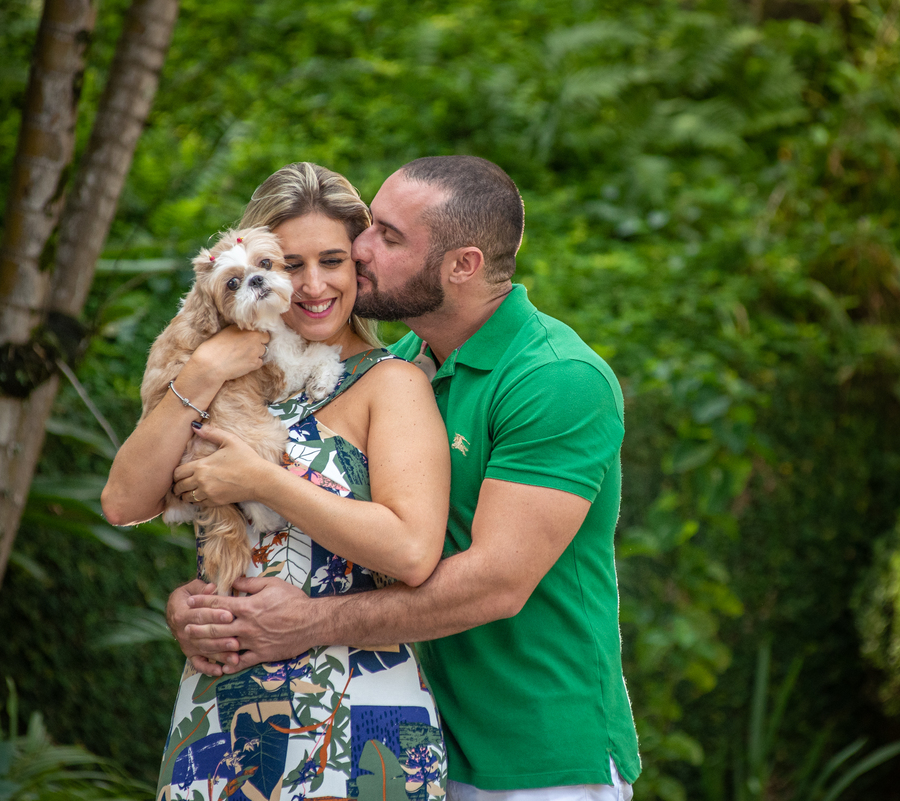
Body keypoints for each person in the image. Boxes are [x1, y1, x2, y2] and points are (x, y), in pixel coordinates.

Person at [173, 155, 642, 800]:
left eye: (389, 237)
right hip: (396, 738)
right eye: (370, 226)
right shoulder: (391, 370)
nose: (360, 248)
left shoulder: (555, 379)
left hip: (532, 752)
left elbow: (494, 585)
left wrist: (310, 623)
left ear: (463, 265)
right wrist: (211, 607)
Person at [100, 162, 452, 801]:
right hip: (223, 709)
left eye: (334, 261)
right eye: (292, 263)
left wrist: (260, 478)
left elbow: (411, 550)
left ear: (358, 268)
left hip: (355, 717)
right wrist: (205, 368)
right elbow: (124, 502)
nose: (315, 285)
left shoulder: (391, 384)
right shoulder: (213, 374)